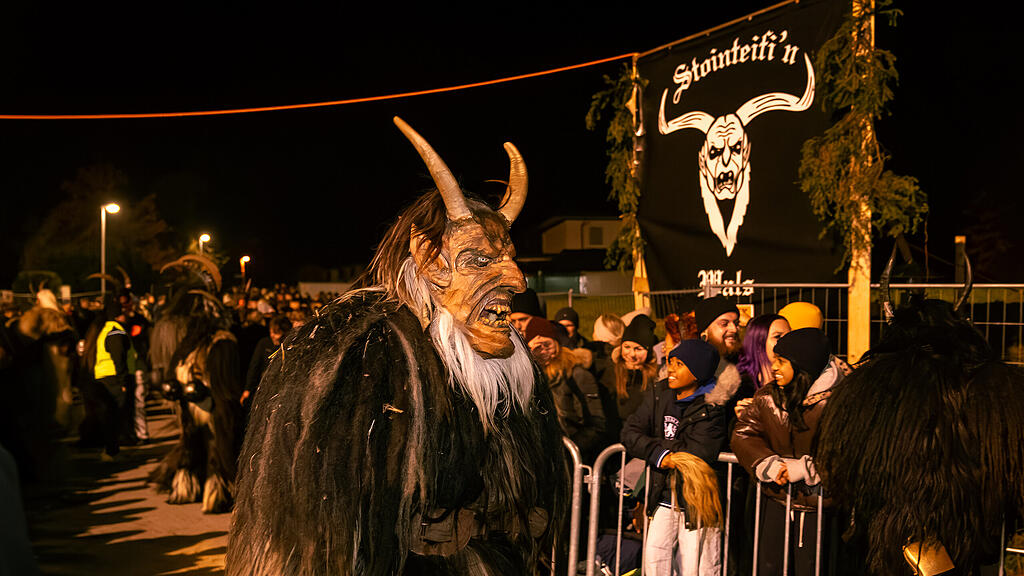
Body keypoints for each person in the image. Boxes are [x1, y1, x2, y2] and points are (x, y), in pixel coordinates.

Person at [227, 118, 568, 575]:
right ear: (429, 258)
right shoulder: (362, 352)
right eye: (479, 261)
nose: (515, 279)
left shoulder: (516, 368)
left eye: (507, 259)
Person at [731, 328, 840, 576]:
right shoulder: (768, 396)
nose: (774, 366)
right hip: (776, 501)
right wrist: (767, 464)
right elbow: (743, 433)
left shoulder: (838, 403)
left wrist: (802, 469)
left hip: (819, 509)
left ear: (803, 365)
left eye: (781, 361)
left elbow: (847, 453)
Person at [621, 339, 729, 576]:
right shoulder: (659, 393)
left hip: (697, 503)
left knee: (696, 567)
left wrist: (658, 447)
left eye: (679, 364)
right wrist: (661, 454)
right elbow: (629, 432)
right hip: (663, 496)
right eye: (671, 362)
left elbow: (695, 453)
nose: (670, 369)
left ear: (698, 371)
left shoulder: (713, 405)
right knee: (654, 561)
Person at [526, 318, 604, 460]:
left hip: (570, 457)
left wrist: (566, 450)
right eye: (537, 347)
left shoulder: (576, 375)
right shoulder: (526, 378)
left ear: (557, 344)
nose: (543, 351)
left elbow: (596, 425)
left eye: (547, 345)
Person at [600, 314, 659, 445]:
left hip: (645, 439)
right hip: (615, 440)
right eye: (627, 347)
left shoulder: (656, 374)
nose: (632, 354)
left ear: (648, 351)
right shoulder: (610, 371)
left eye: (638, 349)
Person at [241, 314, 292, 412]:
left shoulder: (289, 346)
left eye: (276, 333)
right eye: (271, 332)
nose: (272, 335)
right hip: (265, 388)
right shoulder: (264, 343)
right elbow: (254, 367)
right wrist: (247, 389)